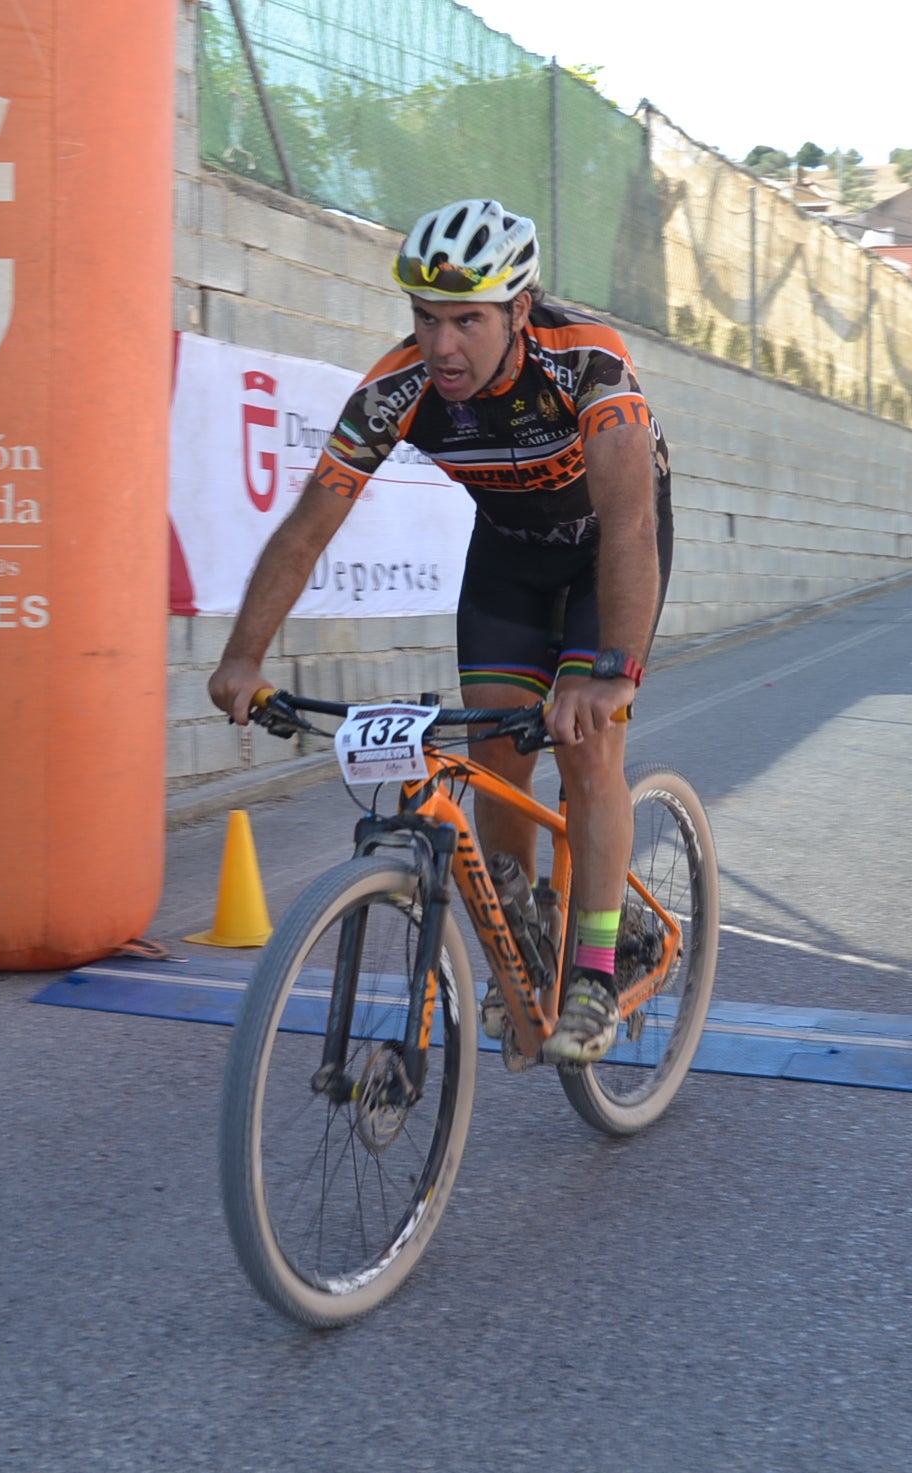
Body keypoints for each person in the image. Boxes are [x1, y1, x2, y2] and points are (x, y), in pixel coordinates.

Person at [206, 199, 672, 1064]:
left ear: (518, 312)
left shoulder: (589, 366)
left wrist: (611, 673)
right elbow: (308, 528)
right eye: (425, 319)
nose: (442, 344)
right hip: (511, 557)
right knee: (497, 748)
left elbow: (632, 526)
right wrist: (243, 658)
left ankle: (597, 973)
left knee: (586, 742)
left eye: (466, 320)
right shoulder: (399, 388)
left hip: (605, 554)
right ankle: (525, 927)